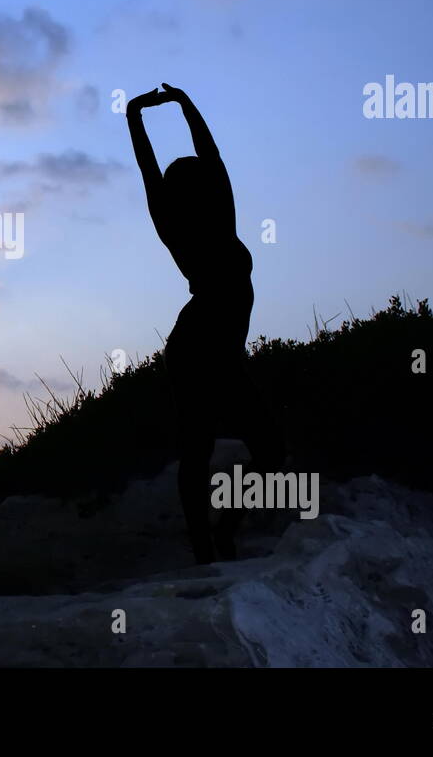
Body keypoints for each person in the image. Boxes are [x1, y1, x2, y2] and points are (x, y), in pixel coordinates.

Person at [124, 82, 266, 563]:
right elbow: (161, 165)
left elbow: (199, 158)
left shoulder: (211, 219)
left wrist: (152, 111)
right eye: (201, 177)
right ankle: (207, 546)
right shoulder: (189, 224)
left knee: (263, 452)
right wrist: (157, 110)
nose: (209, 176)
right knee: (203, 448)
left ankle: (220, 534)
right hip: (201, 347)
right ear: (197, 190)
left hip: (212, 346)